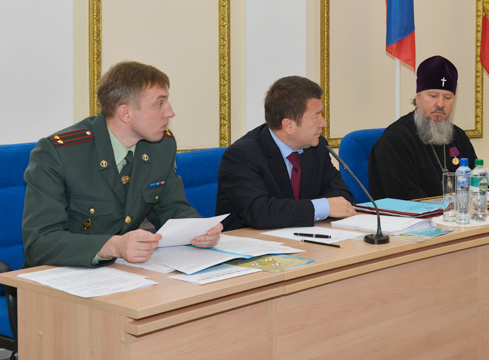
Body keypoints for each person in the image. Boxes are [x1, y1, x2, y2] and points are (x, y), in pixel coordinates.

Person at [22, 61, 222, 268]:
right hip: (61, 274)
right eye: (160, 103)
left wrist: (200, 230)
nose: (170, 112)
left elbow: (172, 208)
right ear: (125, 113)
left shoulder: (161, 146)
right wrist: (113, 246)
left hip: (123, 272)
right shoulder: (60, 153)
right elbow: (39, 243)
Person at [216, 76, 355, 230]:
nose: (324, 123)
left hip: (303, 237)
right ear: (288, 125)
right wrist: (323, 207)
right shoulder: (242, 155)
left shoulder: (317, 147)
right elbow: (260, 212)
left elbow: (341, 196)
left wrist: (320, 208)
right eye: (316, 117)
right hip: (249, 241)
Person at [369, 55, 478, 200]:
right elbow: (405, 199)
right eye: (433, 96)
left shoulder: (458, 137)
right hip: (414, 214)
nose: (440, 104)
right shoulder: (395, 140)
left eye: (447, 97)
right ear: (418, 98)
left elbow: (477, 187)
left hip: (455, 213)